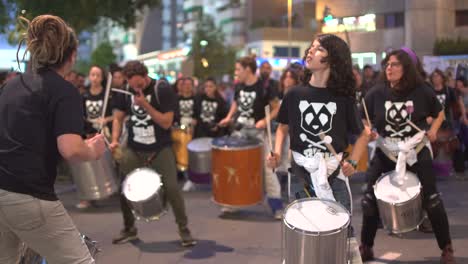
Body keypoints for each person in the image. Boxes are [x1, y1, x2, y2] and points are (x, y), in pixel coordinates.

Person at [0, 14, 105, 264]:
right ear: (72, 55)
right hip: (29, 195)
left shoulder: (11, 86)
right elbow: (70, 149)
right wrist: (93, 149)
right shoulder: (64, 91)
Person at [359, 49, 456, 263]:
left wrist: (433, 130)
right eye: (387, 64)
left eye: (395, 64)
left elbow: (439, 112)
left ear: (406, 68)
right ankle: (366, 246)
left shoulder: (421, 90)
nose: (389, 68)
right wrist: (368, 130)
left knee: (431, 199)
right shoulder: (377, 92)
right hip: (386, 149)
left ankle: (446, 247)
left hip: (415, 148)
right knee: (368, 199)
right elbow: (364, 118)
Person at [267, 34, 369, 235]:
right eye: (311, 47)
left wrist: (354, 163)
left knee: (341, 233)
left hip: (332, 172)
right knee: (303, 233)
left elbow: (363, 134)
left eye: (319, 49)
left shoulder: (343, 99)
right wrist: (277, 154)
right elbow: (282, 127)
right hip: (300, 172)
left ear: (333, 59)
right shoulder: (294, 94)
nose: (311, 51)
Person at [109, 61, 196, 247]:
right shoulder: (126, 90)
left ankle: (184, 229)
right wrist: (115, 139)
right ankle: (129, 229)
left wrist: (145, 105)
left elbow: (166, 122)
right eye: (132, 85)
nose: (135, 88)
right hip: (134, 148)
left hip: (160, 149)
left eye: (138, 84)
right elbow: (118, 118)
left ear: (145, 75)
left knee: (172, 188)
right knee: (124, 187)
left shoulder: (161, 89)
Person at [219, 55, 283, 219]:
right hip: (240, 131)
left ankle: (277, 207)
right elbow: (236, 103)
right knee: (235, 168)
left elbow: (276, 109)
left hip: (259, 134)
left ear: (248, 69)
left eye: (238, 69)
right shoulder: (239, 86)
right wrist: (229, 117)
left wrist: (264, 120)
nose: (236, 73)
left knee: (268, 169)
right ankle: (231, 204)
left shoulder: (265, 86)